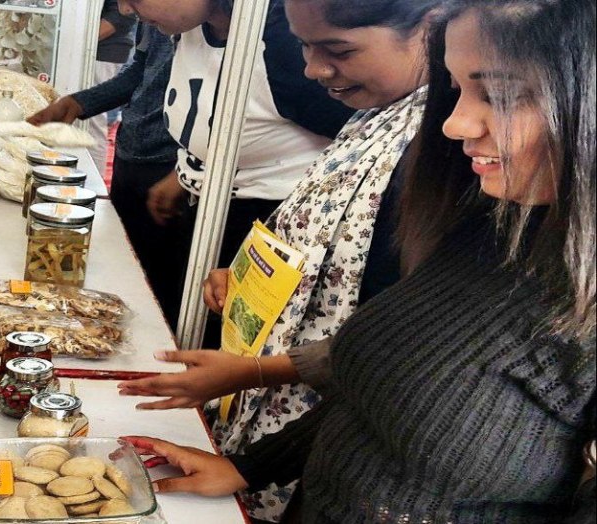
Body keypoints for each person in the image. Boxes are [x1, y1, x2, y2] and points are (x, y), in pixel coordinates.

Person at [122, 0, 597, 522]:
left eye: (500, 95)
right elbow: (371, 393)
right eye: (455, 89)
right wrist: (246, 468)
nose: (455, 124)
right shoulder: (489, 229)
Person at [119, 0, 440, 520]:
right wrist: (245, 277)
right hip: (282, 407)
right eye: (304, 47)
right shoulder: (375, 115)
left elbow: (391, 335)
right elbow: (317, 228)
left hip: (326, 425)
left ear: (429, 27)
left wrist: (255, 374)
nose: (312, 69)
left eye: (338, 50)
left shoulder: (437, 148)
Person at [119, 0, 355, 331]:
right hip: (206, 211)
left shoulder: (284, 42)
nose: (125, 10)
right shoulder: (189, 28)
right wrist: (189, 171)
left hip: (270, 230)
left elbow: (353, 139)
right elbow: (221, 118)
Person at [29, 25, 183, 320]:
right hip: (132, 154)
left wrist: (187, 171)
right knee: (123, 270)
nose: (125, 11)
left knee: (160, 293)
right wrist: (79, 102)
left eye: (136, 3)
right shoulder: (157, 22)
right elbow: (140, 70)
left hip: (173, 174)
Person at [87, 0, 138, 175]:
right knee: (93, 122)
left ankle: (93, 182)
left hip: (101, 51)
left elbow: (122, 15)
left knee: (93, 123)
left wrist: (80, 40)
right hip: (99, 49)